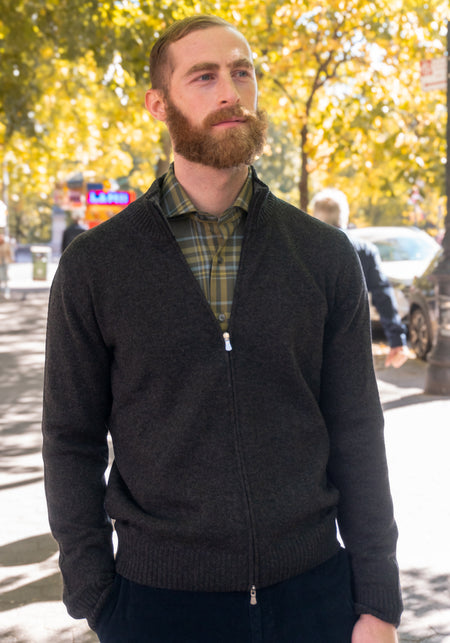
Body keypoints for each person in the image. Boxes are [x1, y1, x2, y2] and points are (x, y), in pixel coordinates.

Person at [42, 15, 402, 643]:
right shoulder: (96, 267)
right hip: (156, 607)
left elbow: (357, 429)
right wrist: (95, 594)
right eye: (203, 77)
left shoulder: (323, 255)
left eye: (242, 73)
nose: (230, 92)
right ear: (160, 103)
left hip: (315, 596)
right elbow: (70, 439)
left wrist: (378, 600)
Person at [310, 188, 409, 369]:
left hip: (308, 343)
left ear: (314, 215)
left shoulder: (302, 249)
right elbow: (382, 294)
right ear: (345, 217)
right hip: (353, 344)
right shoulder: (364, 250)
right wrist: (397, 340)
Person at [0, 232, 14, 299]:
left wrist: (10, 260)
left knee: (6, 279)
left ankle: (7, 293)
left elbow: (10, 253)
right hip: (0, 264)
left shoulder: (6, 245)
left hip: (5, 263)